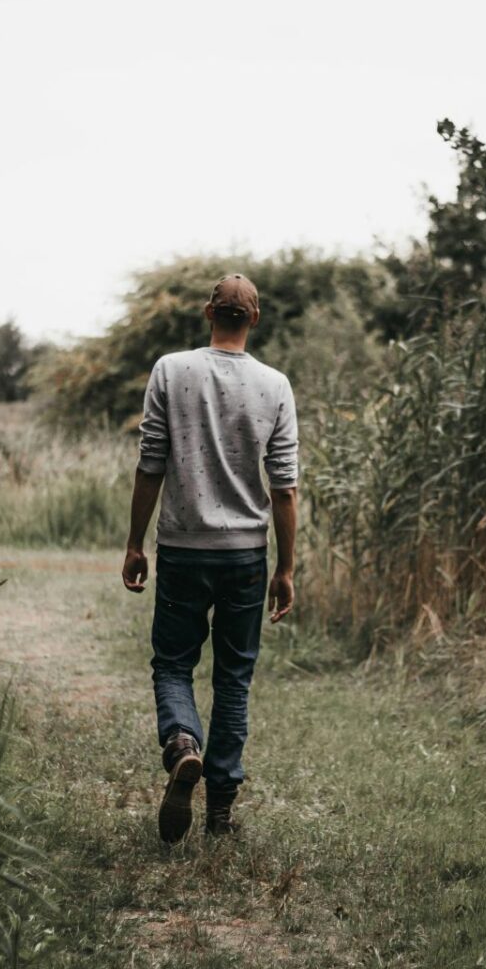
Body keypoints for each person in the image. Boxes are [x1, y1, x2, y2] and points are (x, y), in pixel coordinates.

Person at [122, 273, 299, 843]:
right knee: (233, 680)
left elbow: (151, 462)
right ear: (254, 318)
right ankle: (220, 814)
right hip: (246, 556)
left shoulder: (170, 370)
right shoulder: (275, 386)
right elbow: (285, 487)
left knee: (173, 663)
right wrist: (286, 568)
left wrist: (133, 542)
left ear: (207, 313)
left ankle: (181, 745)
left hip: (181, 547)